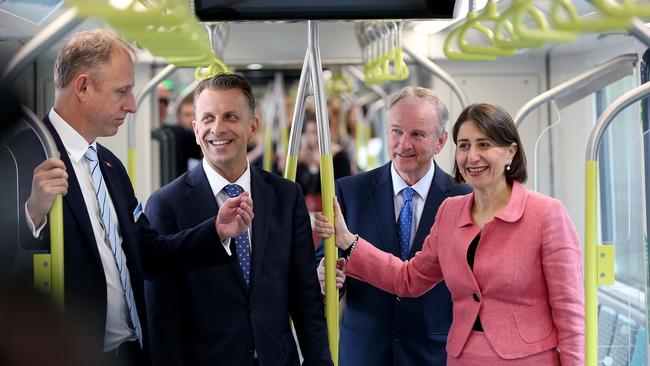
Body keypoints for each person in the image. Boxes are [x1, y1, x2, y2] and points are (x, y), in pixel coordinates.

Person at [22, 29, 251, 365]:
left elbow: (149, 254)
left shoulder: (109, 166)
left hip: (131, 353)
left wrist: (215, 232)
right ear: (83, 87)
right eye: (122, 91)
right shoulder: (23, 156)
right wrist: (33, 214)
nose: (131, 105)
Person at [316, 103, 585, 365]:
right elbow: (408, 278)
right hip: (462, 357)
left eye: (484, 144)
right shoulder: (451, 213)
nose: (472, 156)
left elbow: (570, 313)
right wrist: (349, 242)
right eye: (465, 145)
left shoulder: (546, 214)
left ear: (511, 152)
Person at [144, 73, 332, 366]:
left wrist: (320, 361)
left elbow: (305, 296)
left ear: (253, 126)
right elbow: (162, 316)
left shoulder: (285, 196)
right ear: (195, 129)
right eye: (207, 118)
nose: (217, 129)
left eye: (230, 116)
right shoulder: (167, 204)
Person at [315, 87, 471, 366]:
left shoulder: (463, 200)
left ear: (441, 141)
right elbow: (325, 261)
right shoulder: (350, 192)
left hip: (434, 353)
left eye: (417, 134)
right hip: (364, 352)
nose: (403, 144)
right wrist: (326, 278)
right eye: (396, 131)